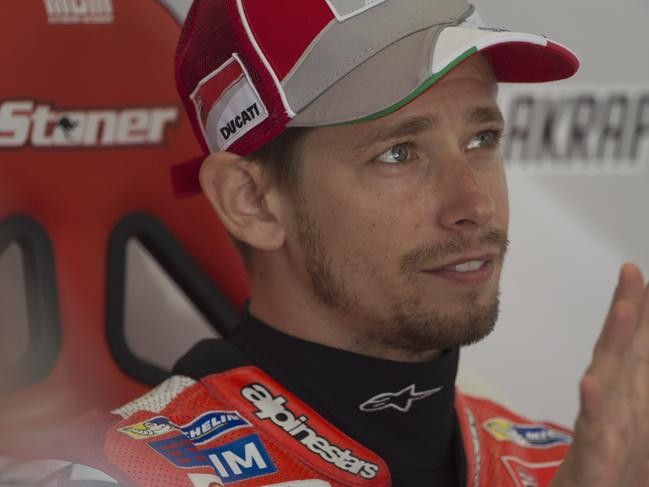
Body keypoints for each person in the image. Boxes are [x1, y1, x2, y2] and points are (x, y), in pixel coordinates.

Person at [6, 0, 649, 486]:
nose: (474, 205)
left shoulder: (573, 458)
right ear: (250, 202)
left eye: (480, 139)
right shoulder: (125, 473)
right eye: (398, 153)